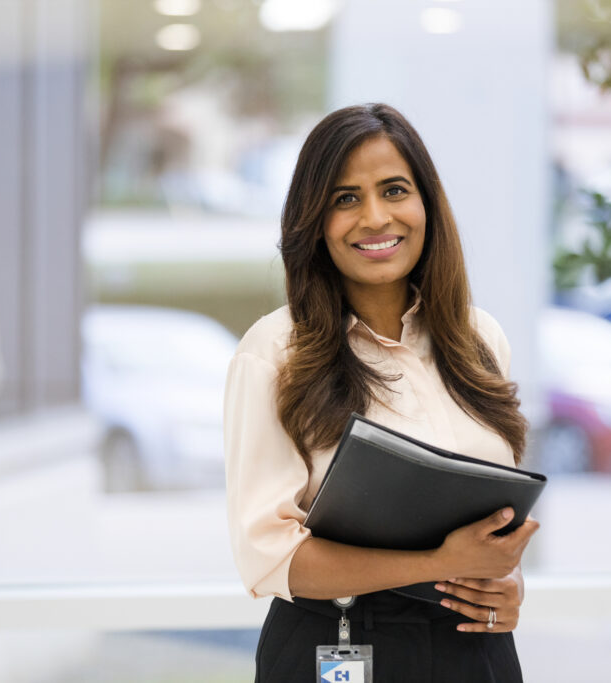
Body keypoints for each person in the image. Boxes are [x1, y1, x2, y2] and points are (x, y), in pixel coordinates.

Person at [223, 103, 540, 682]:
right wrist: (442, 562)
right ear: (313, 222)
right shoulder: (273, 351)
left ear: (426, 205)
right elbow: (270, 558)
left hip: (475, 648)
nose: (374, 217)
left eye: (394, 190)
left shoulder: (479, 337)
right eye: (345, 199)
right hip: (340, 644)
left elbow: (491, 517)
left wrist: (506, 584)